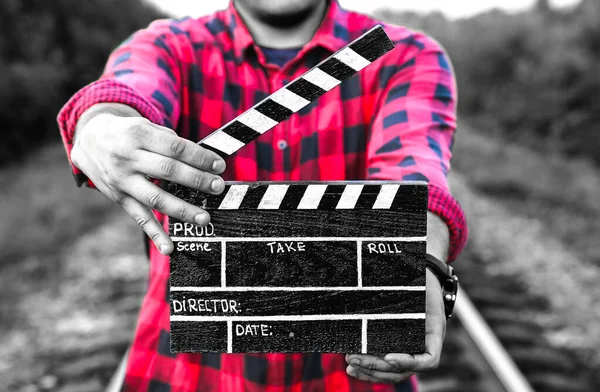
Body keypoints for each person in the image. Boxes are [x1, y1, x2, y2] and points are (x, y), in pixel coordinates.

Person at [57, 0, 468, 390]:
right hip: (187, 375)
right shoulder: (169, 45)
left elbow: (413, 170)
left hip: (349, 377)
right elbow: (128, 87)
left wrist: (421, 258)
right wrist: (102, 124)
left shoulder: (406, 55)